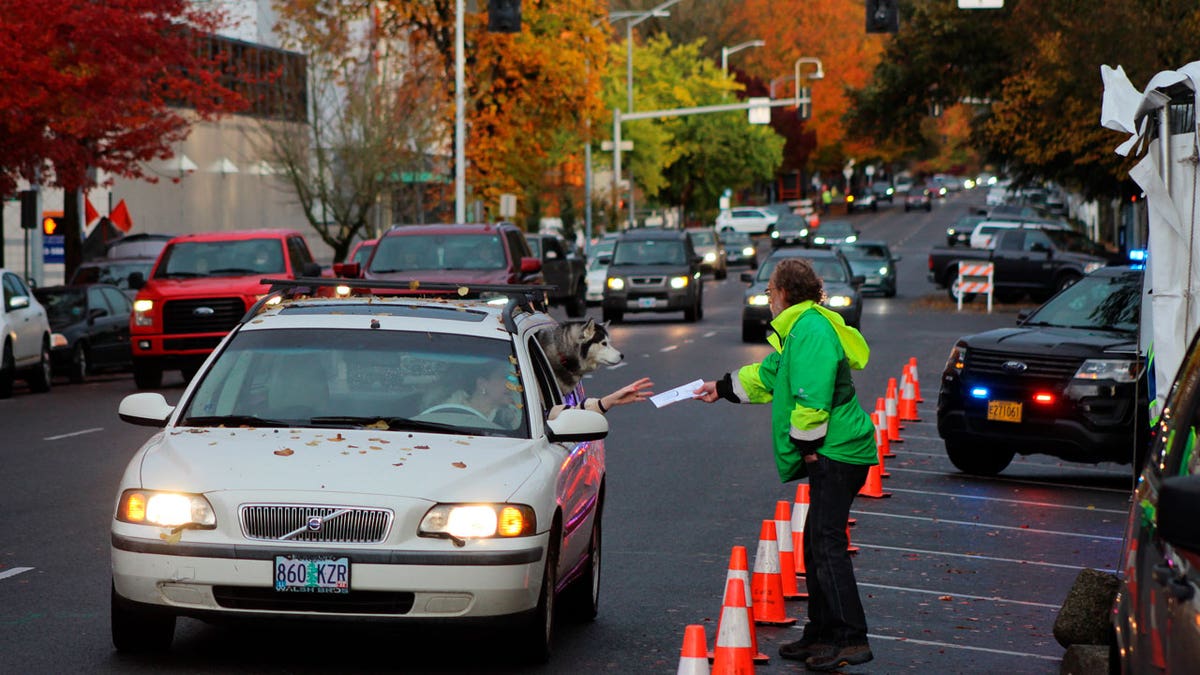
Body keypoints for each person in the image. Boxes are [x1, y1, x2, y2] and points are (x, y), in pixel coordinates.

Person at [693, 257, 877, 671]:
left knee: (827, 546)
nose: (767, 300)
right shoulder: (802, 327)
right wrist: (720, 388)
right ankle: (823, 632)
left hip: (837, 451)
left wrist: (807, 448)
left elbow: (812, 397)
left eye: (770, 292)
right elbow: (771, 374)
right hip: (836, 449)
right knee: (817, 544)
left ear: (783, 294)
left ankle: (850, 637)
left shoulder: (809, 330)